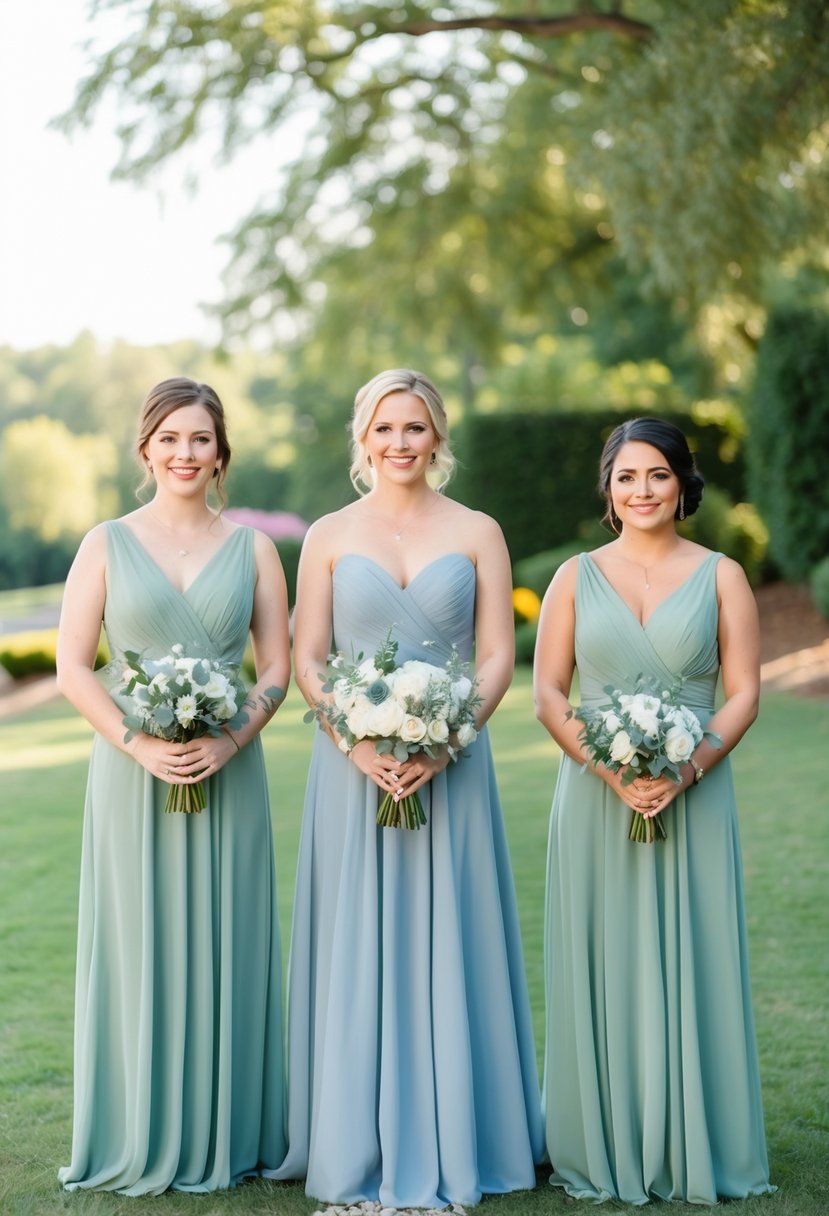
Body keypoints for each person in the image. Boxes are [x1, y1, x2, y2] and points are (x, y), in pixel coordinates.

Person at [267, 368, 543, 1209]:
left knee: (453, 935)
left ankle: (467, 1135)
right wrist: (353, 742)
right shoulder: (327, 534)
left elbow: (497, 654)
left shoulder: (478, 531)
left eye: (414, 428)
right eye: (384, 428)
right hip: (351, 773)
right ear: (362, 438)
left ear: (437, 436)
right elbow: (307, 657)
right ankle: (354, 1142)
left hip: (452, 770)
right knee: (356, 939)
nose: (399, 443)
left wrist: (451, 736)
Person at [56, 377, 290, 1194]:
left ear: (220, 452)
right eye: (170, 438)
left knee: (231, 940)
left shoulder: (254, 549)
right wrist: (135, 743)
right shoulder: (106, 543)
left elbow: (277, 669)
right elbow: (72, 667)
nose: (185, 454)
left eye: (200, 439)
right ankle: (141, 1127)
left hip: (231, 775)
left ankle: (235, 1132)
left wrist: (230, 740)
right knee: (139, 942)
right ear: (146, 447)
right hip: (133, 775)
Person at [534, 417, 774, 1204]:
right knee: (601, 961)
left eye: (657, 476)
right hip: (595, 800)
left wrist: (690, 767)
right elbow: (546, 694)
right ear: (607, 488)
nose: (641, 491)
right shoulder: (574, 575)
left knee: (694, 956)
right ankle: (600, 1140)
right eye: (626, 477)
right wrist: (610, 772)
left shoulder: (721, 575)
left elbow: (743, 691)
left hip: (693, 796)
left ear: (682, 484)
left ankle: (693, 1143)